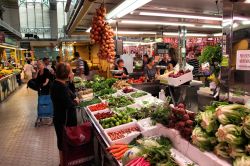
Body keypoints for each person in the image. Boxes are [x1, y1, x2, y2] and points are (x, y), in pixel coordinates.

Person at [50, 63, 79, 166]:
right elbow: (69, 103)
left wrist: (71, 82)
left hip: (60, 119)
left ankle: (64, 162)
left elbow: (71, 93)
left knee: (62, 143)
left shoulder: (59, 83)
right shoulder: (60, 88)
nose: (72, 73)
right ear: (66, 74)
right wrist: (75, 102)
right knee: (63, 143)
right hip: (64, 121)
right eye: (71, 71)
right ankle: (64, 163)